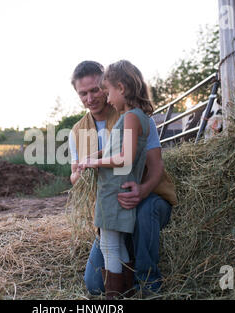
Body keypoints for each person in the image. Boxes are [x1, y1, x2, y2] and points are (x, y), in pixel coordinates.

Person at [69, 61, 178, 297]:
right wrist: (82, 171)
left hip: (142, 198)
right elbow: (75, 177)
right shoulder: (77, 131)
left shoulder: (135, 119)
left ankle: (148, 283)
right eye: (83, 93)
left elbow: (156, 166)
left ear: (111, 87)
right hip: (111, 202)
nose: (91, 98)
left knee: (144, 210)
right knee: (95, 284)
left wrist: (144, 189)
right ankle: (124, 289)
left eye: (97, 90)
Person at [78, 60, 153, 299]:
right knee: (116, 245)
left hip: (113, 192)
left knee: (110, 246)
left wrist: (94, 163)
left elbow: (125, 157)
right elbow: (116, 149)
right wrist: (94, 155)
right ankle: (126, 291)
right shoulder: (136, 117)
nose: (107, 99)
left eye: (108, 91)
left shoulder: (130, 117)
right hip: (117, 190)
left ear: (121, 88)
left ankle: (113, 297)